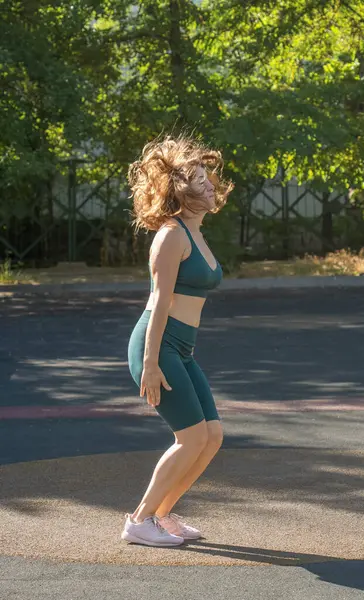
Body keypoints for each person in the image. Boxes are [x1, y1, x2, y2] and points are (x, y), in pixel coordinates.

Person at [121, 132, 234, 547]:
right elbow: (158, 302)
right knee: (190, 438)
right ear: (179, 190)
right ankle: (139, 520)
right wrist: (150, 363)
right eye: (198, 178)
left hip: (181, 349)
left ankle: (162, 515)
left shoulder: (195, 232)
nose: (208, 183)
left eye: (208, 176)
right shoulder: (171, 235)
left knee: (213, 435)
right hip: (159, 345)